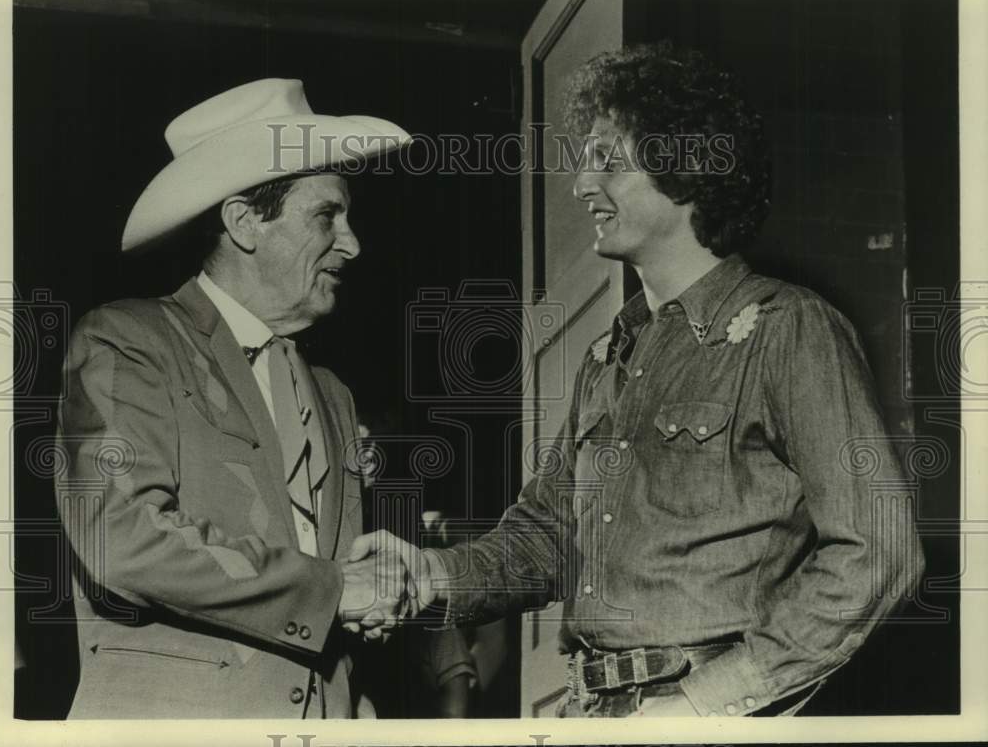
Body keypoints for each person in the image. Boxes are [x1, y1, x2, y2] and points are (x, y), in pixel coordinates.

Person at [375, 41, 925, 717]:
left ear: (686, 167)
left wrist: (706, 701)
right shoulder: (608, 355)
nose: (580, 184)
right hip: (588, 710)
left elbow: (881, 552)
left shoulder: (791, 329)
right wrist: (429, 575)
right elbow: (545, 537)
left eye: (607, 158)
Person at [54, 78, 416, 718]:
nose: (353, 243)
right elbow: (121, 536)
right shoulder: (126, 341)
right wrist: (334, 592)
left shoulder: (333, 392)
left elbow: (330, 577)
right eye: (327, 215)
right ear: (245, 222)